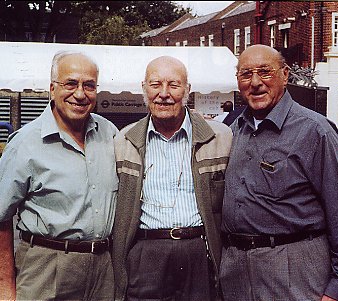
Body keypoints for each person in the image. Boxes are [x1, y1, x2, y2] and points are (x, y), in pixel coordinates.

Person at [220, 44, 338, 301]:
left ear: (285, 75)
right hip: (237, 274)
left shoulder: (314, 131)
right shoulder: (232, 128)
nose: (255, 83)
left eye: (265, 72)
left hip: (294, 272)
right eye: (246, 74)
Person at [0, 51, 119, 301]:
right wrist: (5, 289)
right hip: (45, 269)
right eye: (71, 83)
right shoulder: (25, 143)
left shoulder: (109, 134)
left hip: (102, 273)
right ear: (52, 89)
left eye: (89, 85)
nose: (80, 94)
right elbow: (1, 218)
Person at [113, 55, 232, 301]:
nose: (164, 94)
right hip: (147, 253)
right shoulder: (124, 141)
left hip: (199, 251)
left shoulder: (221, 138)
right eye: (155, 84)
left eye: (174, 85)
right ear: (143, 88)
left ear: (187, 90)